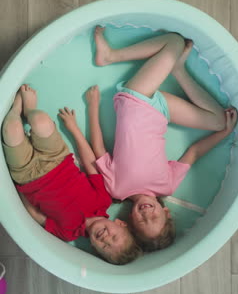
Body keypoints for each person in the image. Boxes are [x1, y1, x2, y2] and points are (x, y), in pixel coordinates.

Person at [77, 26, 238, 252]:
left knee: (174, 42)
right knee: (221, 121)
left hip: (135, 100)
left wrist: (92, 107)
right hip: (161, 111)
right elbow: (193, 153)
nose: (146, 213)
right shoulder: (167, 185)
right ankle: (179, 70)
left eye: (142, 221)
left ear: (131, 220)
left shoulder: (117, 190)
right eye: (155, 218)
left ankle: (110, 56)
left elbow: (98, 148)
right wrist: (224, 134)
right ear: (166, 212)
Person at [2, 84, 142, 265]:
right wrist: (73, 127)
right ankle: (28, 109)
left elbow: (36, 216)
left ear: (94, 248)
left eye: (105, 247)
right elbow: (90, 163)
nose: (106, 239)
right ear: (121, 224)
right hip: (56, 158)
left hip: (27, 175)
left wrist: (16, 186)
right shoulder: (103, 200)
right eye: (114, 237)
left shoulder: (67, 233)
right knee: (40, 121)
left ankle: (16, 110)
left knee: (11, 129)